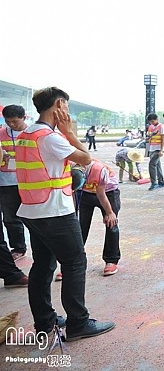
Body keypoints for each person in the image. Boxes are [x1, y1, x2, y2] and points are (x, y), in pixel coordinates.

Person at [15, 86, 115, 341]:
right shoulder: (50, 138)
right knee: (75, 262)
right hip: (55, 211)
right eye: (67, 105)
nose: (68, 111)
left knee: (43, 264)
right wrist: (69, 133)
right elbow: (86, 159)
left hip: (32, 210)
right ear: (59, 105)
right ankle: (78, 323)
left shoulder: (26, 134)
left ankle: (45, 321)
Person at [76, 161, 120, 276]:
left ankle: (111, 260)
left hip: (108, 192)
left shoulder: (98, 170)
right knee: (79, 227)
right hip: (84, 192)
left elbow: (101, 194)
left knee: (111, 223)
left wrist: (109, 212)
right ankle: (73, 263)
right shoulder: (69, 167)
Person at [1, 104, 28, 261]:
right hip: (6, 182)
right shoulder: (1, 134)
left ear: (24, 118)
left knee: (34, 217)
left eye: (15, 121)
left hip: (29, 182)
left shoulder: (32, 134)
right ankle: (18, 247)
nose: (11, 124)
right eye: (7, 121)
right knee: (10, 218)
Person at [145, 113, 164, 190]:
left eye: (153, 121)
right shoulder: (150, 127)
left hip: (158, 149)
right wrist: (148, 138)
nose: (152, 123)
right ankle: (161, 182)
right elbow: (149, 137)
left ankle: (154, 183)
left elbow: (163, 139)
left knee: (152, 164)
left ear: (157, 119)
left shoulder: (161, 127)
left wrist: (161, 150)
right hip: (152, 148)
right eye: (150, 122)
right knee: (157, 165)